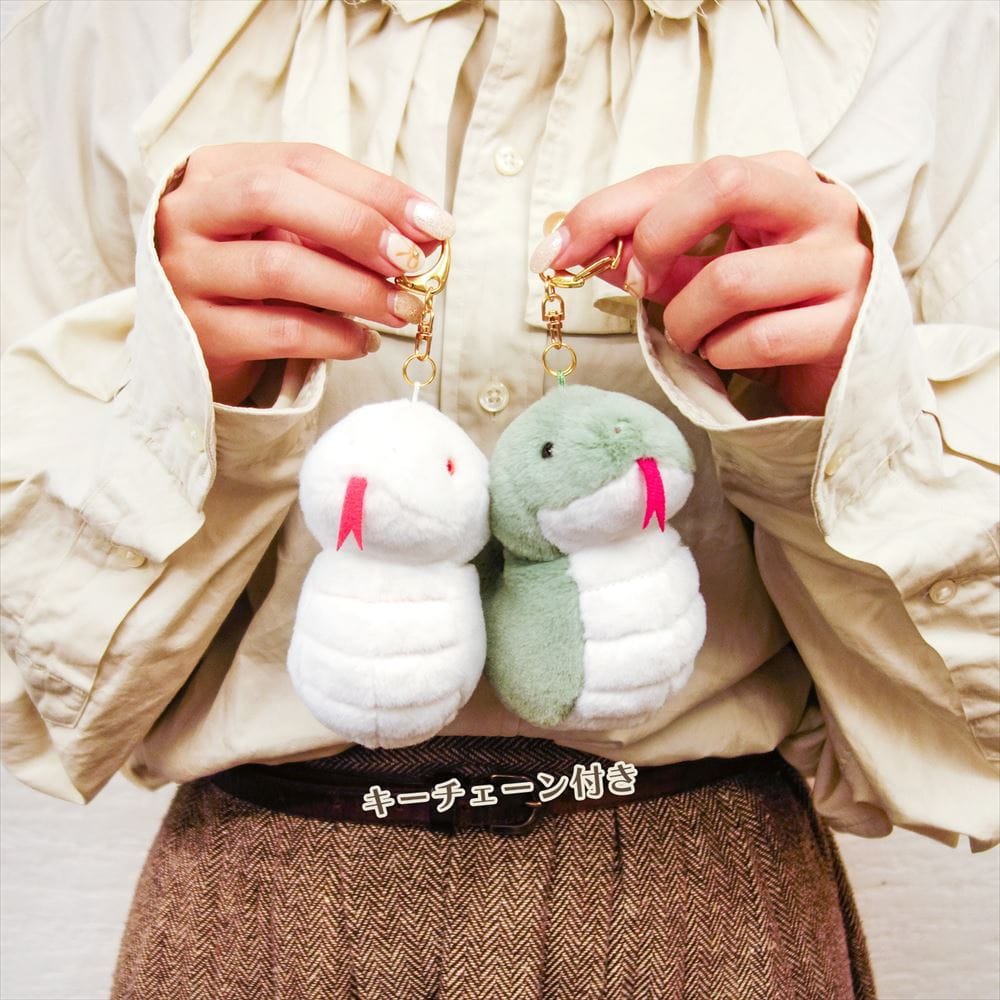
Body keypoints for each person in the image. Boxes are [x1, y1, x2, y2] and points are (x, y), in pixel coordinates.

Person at [1, 0, 996, 997]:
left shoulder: (919, 40)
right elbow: (39, 702)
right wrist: (180, 390)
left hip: (711, 912)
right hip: (259, 914)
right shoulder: (109, 33)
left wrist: (851, 405)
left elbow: (971, 736)